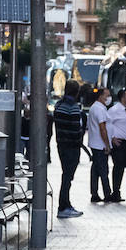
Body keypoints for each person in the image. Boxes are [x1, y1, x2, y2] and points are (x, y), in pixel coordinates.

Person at [51, 80, 87, 218]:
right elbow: (76, 129)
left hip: (61, 145)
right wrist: (79, 140)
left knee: (66, 175)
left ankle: (66, 204)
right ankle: (63, 206)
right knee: (67, 177)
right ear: (77, 92)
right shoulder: (73, 107)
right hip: (72, 147)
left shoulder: (59, 105)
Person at [107, 89, 126, 203]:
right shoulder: (114, 110)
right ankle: (116, 192)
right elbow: (107, 124)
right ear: (122, 97)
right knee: (118, 168)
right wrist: (112, 138)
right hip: (119, 143)